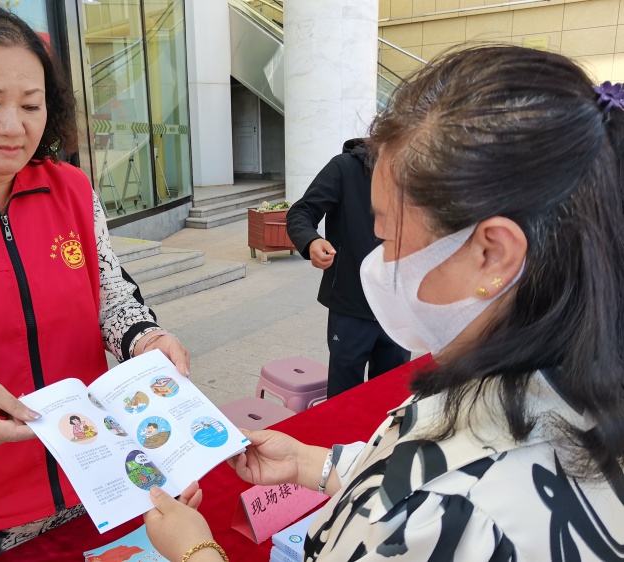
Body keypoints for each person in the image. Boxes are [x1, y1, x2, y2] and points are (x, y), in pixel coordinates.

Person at [143, 45, 624, 561]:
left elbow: (421, 495)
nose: (380, 260)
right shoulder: (563, 382)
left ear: (492, 254)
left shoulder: (442, 515)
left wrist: (195, 551)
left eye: (388, 235)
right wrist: (314, 465)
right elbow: (418, 462)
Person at [0, 4, 189, 561]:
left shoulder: (72, 190)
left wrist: (145, 339)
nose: (13, 126)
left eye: (31, 104)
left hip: (92, 472)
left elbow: (112, 297)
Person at [286, 139, 409, 398]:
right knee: (344, 399)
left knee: (391, 398)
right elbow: (301, 212)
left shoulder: (421, 176)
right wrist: (311, 241)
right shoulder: (344, 168)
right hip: (351, 305)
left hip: (399, 310)